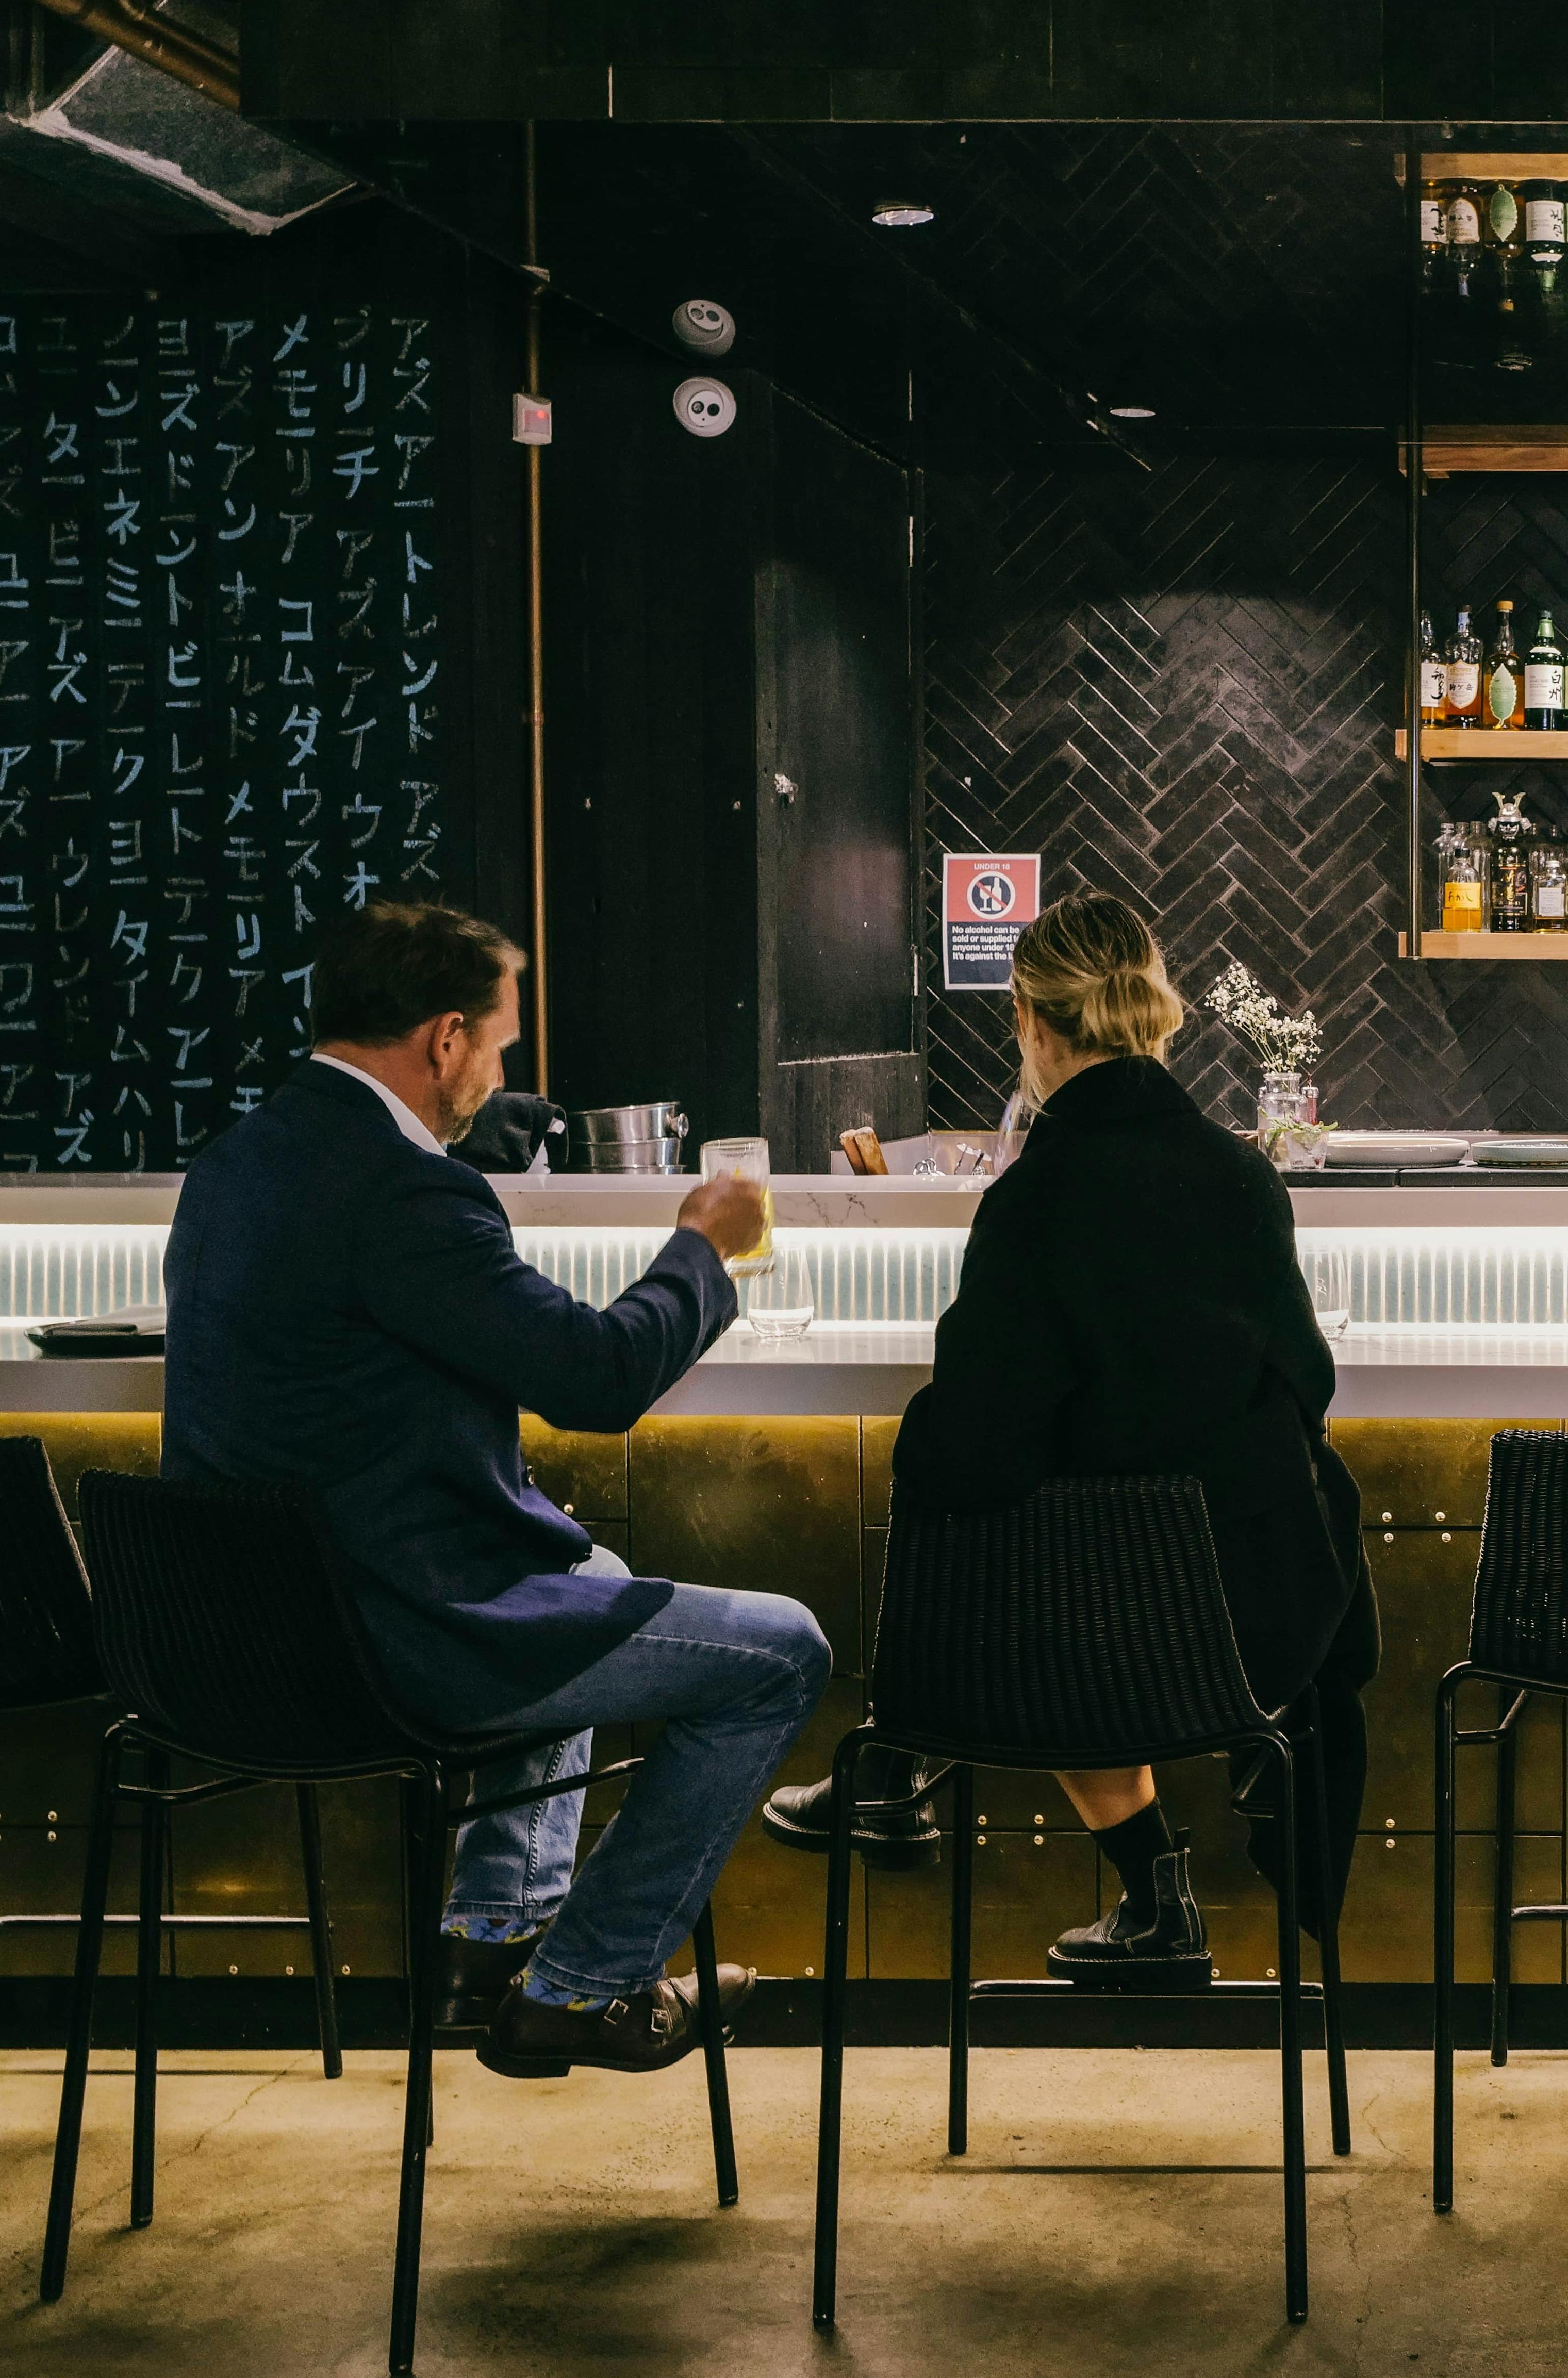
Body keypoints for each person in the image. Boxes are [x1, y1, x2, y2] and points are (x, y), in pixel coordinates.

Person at [165, 901, 826, 2079]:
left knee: (591, 1570)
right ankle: (579, 1988)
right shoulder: (407, 1195)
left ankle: (494, 1938)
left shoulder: (238, 1161)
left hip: (233, 1632)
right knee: (784, 1654)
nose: (505, 1067)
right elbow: (598, 1375)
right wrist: (702, 1247)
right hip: (390, 1636)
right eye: (502, 1044)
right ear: (445, 1040)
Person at [764, 888, 1377, 1980]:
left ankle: (903, 1770)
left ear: (1030, 1024)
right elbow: (1309, 1380)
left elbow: (980, 1437)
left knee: (962, 1495)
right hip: (1251, 1633)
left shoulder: (1035, 1198)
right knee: (1058, 1554)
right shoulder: (1242, 1175)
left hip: (1078, 1645)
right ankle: (915, 1786)